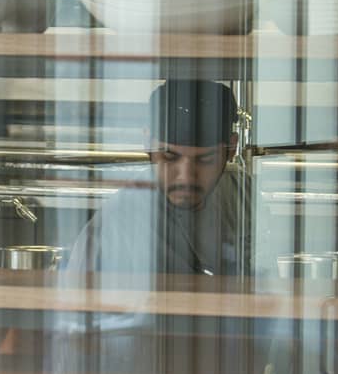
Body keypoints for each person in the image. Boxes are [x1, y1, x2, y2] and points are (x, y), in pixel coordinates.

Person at [64, 79, 246, 277]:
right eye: (169, 156)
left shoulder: (242, 193)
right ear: (147, 142)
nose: (186, 177)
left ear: (232, 148)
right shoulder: (110, 231)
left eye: (205, 159)